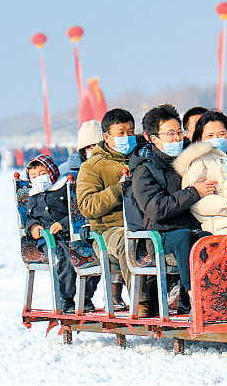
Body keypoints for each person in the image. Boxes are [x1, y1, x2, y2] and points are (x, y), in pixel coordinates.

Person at [129, 104, 215, 314]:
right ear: (153, 138)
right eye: (169, 134)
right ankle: (192, 296)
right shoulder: (144, 170)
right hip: (160, 234)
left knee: (211, 238)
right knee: (186, 238)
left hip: (191, 226)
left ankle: (216, 297)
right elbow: (156, 209)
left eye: (179, 132)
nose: (177, 139)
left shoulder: (188, 160)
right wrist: (193, 193)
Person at [76, 108, 145, 315]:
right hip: (108, 231)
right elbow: (87, 205)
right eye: (121, 133)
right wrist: (118, 190)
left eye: (130, 132)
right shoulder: (92, 167)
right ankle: (140, 301)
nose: (127, 137)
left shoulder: (143, 158)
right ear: (107, 137)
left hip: (145, 223)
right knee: (129, 243)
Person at [25, 155, 98, 314]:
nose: (39, 179)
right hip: (50, 240)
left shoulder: (64, 187)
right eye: (34, 176)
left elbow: (77, 211)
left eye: (42, 173)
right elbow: (30, 218)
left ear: (51, 172)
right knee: (65, 260)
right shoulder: (33, 196)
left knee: (94, 257)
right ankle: (66, 299)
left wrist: (63, 224)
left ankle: (85, 298)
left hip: (71, 235)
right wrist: (34, 228)